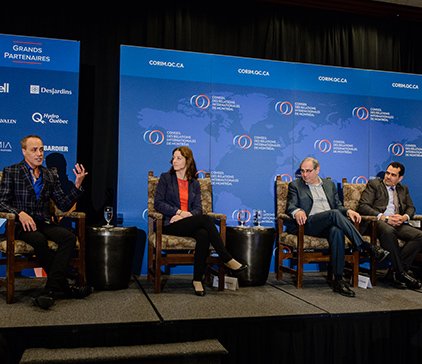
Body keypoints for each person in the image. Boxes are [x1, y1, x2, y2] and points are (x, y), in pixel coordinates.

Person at [0, 135, 92, 309]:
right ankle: (66, 288)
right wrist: (19, 213)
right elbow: (1, 202)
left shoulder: (50, 175)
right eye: (34, 150)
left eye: (41, 149)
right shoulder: (11, 171)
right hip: (21, 226)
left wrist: (77, 184)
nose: (39, 154)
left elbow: (63, 204)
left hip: (43, 222)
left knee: (68, 238)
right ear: (24, 151)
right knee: (39, 240)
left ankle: (49, 291)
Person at [286, 157, 389, 297]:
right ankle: (365, 246)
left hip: (329, 224)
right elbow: (290, 206)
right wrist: (297, 211)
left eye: (308, 171)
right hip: (308, 224)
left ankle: (338, 280)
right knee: (333, 215)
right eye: (302, 171)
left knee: (337, 230)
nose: (304, 174)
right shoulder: (295, 185)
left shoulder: (329, 185)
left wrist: (347, 211)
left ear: (317, 170)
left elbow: (337, 206)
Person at [154, 146, 247, 296]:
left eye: (179, 158)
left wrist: (186, 215)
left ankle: (197, 279)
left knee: (203, 233)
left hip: (187, 221)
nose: (174, 161)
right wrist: (178, 212)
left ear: (187, 160)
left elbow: (198, 208)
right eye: (173, 157)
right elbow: (158, 203)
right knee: (204, 220)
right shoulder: (165, 178)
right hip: (169, 223)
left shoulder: (194, 183)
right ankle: (226, 257)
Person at [357, 161, 422, 290]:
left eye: (393, 175)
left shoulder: (403, 189)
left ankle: (394, 272)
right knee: (388, 231)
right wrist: (385, 217)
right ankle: (401, 273)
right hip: (378, 223)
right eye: (387, 173)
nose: (388, 176)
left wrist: (404, 217)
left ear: (400, 178)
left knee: (419, 236)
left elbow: (411, 208)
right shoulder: (375, 184)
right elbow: (363, 206)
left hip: (398, 223)